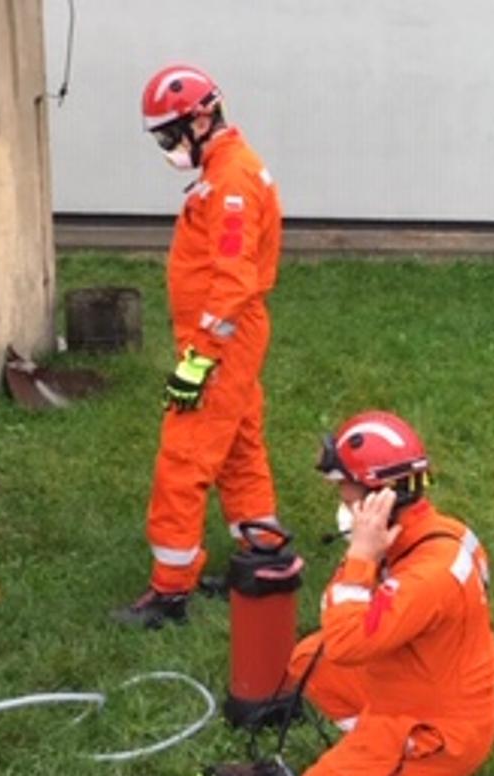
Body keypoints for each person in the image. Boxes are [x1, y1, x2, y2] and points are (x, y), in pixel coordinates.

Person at [116, 63, 290, 627]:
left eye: (170, 134)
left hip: (222, 341)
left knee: (183, 459)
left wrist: (200, 359)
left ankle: (170, 593)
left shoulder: (232, 181)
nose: (168, 147)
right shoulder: (224, 169)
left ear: (202, 117)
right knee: (239, 446)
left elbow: (233, 279)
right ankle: (260, 555)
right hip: (230, 338)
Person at [282, 411, 494, 776]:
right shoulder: (431, 534)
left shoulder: (426, 575)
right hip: (423, 688)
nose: (341, 499)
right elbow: (340, 634)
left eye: (344, 488)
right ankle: (377, 762)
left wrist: (361, 555)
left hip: (437, 733)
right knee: (310, 661)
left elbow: (347, 641)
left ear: (379, 497)